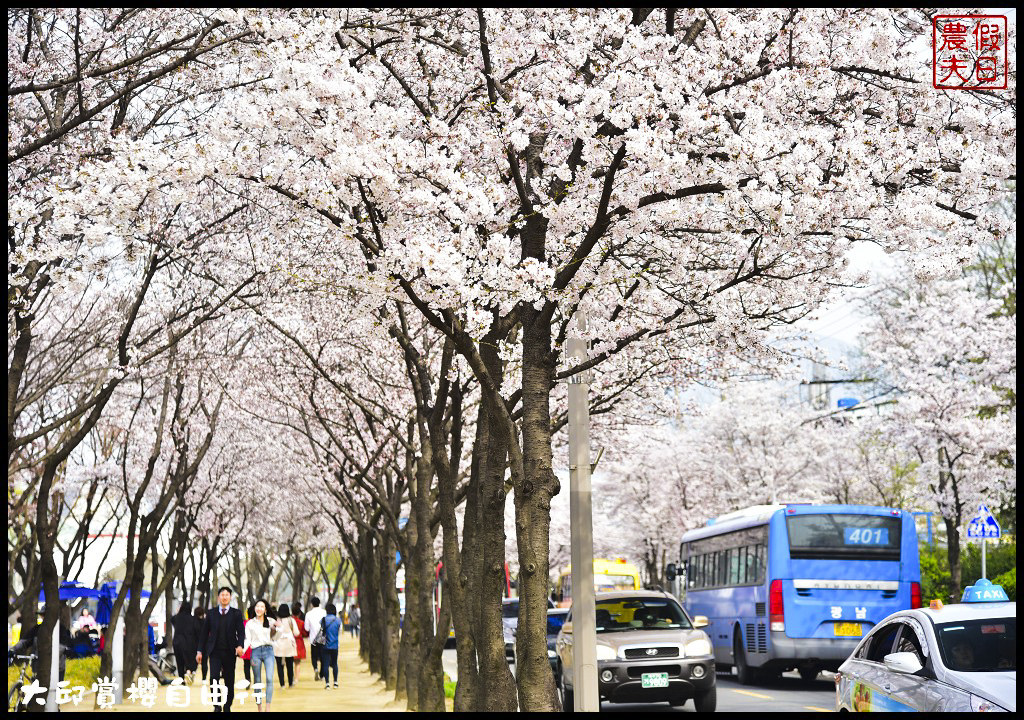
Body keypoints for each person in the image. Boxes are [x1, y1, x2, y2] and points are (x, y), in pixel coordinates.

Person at [197, 587, 245, 713]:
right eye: (222, 595)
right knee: (213, 678)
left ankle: (228, 705)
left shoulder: (236, 613)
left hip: (230, 652)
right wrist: (199, 651)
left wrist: (240, 645)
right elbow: (204, 633)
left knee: (229, 680)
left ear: (230, 597)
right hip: (214, 652)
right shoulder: (211, 613)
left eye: (227, 595)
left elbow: (241, 632)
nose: (224, 597)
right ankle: (217, 705)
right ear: (218, 597)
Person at [245, 599, 279, 713]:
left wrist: (277, 629)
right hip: (255, 652)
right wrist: (241, 651)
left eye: (262, 607)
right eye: (257, 606)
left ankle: (267, 707)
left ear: (265, 610)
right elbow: (248, 640)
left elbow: (278, 636)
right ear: (254, 608)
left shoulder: (270, 621)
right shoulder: (250, 623)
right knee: (257, 681)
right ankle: (259, 707)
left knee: (270, 678)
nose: (259, 608)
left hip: (269, 651)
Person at [273, 603, 299, 688]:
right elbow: (296, 633)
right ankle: (290, 683)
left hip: (278, 645)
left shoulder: (276, 621)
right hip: (288, 644)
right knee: (289, 664)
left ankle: (282, 684)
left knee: (280, 666)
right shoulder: (291, 620)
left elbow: (273, 633)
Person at [171, 603, 198, 682]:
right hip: (189, 642)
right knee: (189, 659)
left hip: (177, 642)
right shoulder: (193, 619)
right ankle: (188, 671)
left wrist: (178, 612)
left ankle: (181, 678)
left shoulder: (176, 618)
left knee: (179, 661)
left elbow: (171, 619)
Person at [320, 603, 341, 689]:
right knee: (335, 663)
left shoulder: (323, 620)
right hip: (335, 645)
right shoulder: (338, 620)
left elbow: (321, 631)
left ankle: (327, 684)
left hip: (325, 645)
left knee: (325, 664)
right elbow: (339, 631)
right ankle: (335, 682)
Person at [304, 597, 326, 681]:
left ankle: (315, 668)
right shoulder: (324, 612)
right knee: (323, 656)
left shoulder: (308, 614)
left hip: (313, 638)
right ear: (319, 603)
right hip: (322, 638)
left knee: (314, 656)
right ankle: (322, 675)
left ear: (311, 604)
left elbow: (306, 628)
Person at [290, 602, 306, 681]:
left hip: (290, 642)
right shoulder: (301, 623)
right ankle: (296, 678)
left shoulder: (289, 622)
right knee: (297, 662)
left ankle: (291, 677)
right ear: (299, 613)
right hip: (299, 642)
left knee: (290, 661)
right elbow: (304, 633)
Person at [193, 607, 208, 681]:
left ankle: (192, 673)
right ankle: (204, 679)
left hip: (194, 644)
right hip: (205, 645)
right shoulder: (205, 622)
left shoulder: (193, 622)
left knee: (194, 661)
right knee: (204, 662)